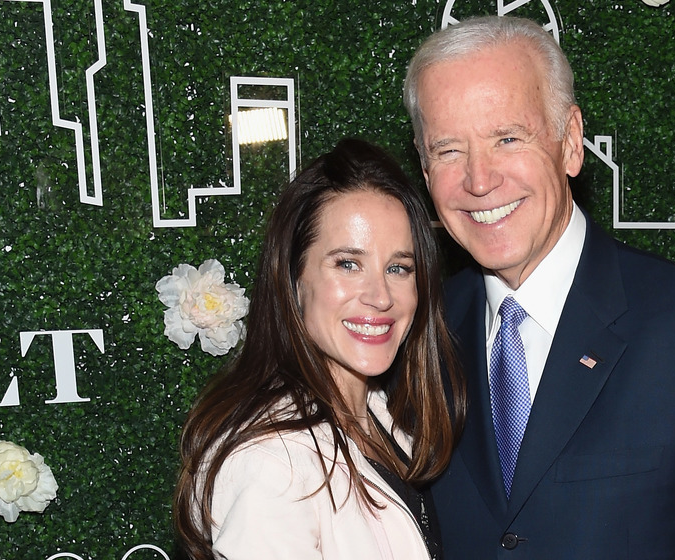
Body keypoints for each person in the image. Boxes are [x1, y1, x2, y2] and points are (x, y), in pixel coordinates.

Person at [403, 15, 675, 559]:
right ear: (424, 168)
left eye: (507, 137)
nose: (479, 179)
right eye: (449, 150)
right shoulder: (419, 333)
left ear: (571, 143)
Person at [173, 138, 465, 560]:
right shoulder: (272, 465)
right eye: (348, 264)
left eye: (398, 268)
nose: (380, 296)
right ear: (294, 280)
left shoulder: (382, 417)